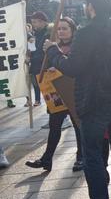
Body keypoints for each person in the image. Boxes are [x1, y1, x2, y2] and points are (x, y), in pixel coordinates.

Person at [45, 0, 111, 199]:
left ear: (91, 7)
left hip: (96, 100)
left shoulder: (87, 32)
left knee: (92, 153)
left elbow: (74, 67)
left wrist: (53, 52)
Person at [25, 17, 83, 172]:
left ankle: (81, 157)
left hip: (73, 91)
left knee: (78, 125)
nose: (61, 32)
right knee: (54, 126)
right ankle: (46, 159)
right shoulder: (51, 46)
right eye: (58, 29)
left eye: (65, 28)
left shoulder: (77, 46)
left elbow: (73, 67)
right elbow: (40, 63)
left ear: (72, 30)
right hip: (55, 92)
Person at [27, 11, 50, 107]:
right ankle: (37, 100)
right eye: (33, 22)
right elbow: (33, 50)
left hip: (46, 66)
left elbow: (45, 52)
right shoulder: (34, 35)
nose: (34, 24)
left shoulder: (48, 34)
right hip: (35, 65)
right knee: (36, 85)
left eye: (36, 21)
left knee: (49, 90)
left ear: (43, 22)